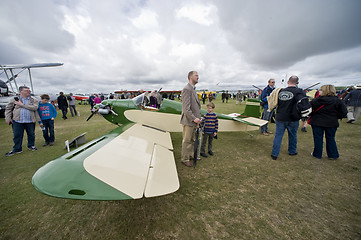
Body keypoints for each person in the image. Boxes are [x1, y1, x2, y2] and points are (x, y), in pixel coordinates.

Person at [270, 76, 308, 160]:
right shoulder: (300, 91)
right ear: (297, 82)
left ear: (288, 81)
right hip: (293, 117)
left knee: (278, 136)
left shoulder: (279, 91)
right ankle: (292, 151)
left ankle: (274, 154)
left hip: (281, 116)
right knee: (293, 135)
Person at [309, 85, 347, 159]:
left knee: (318, 138)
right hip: (331, 122)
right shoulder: (338, 101)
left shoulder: (316, 101)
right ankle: (332, 155)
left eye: (320, 90)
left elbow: (309, 111)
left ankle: (317, 154)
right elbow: (343, 113)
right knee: (330, 138)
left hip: (317, 121)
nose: (318, 91)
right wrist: (336, 116)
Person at [5, 86, 40, 156]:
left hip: (30, 120)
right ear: (21, 91)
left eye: (29, 91)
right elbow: (8, 109)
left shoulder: (33, 100)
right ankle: (17, 149)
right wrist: (8, 118)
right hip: (18, 121)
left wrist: (22, 105)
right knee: (17, 135)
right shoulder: (14, 99)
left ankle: (31, 145)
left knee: (31, 134)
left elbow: (34, 108)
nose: (29, 92)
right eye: (26, 91)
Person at [180, 71, 201, 167]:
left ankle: (191, 155)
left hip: (193, 121)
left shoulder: (192, 89)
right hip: (188, 121)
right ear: (190, 77)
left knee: (193, 140)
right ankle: (185, 159)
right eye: (196, 75)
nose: (198, 77)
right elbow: (186, 109)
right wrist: (194, 118)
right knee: (187, 140)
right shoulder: (187, 89)